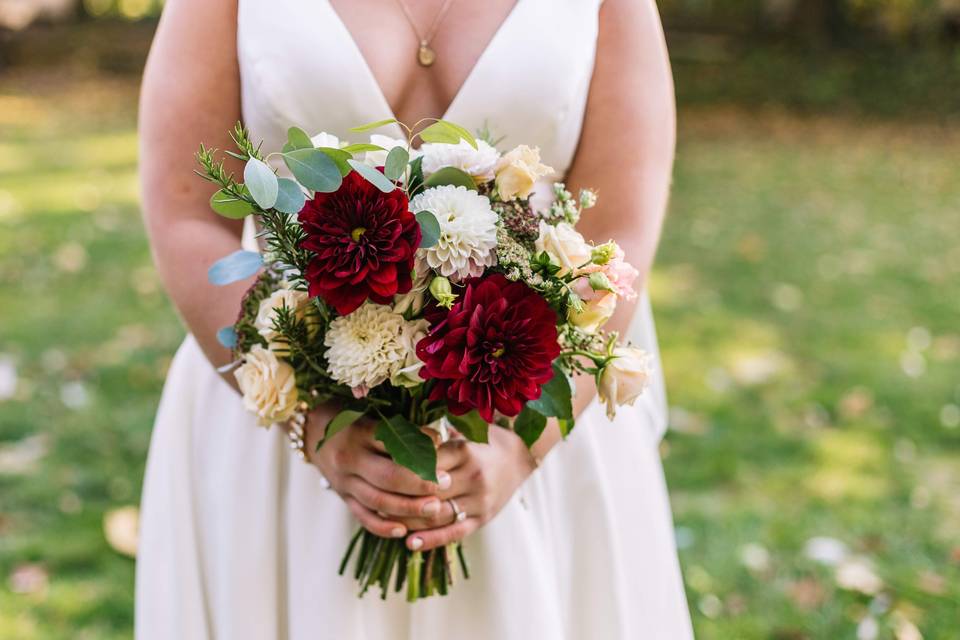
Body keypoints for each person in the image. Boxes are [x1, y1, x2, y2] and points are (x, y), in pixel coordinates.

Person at [136, 0, 692, 637]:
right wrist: (310, 423)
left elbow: (617, 229)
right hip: (282, 424)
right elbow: (186, 215)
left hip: (533, 409)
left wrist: (519, 448)